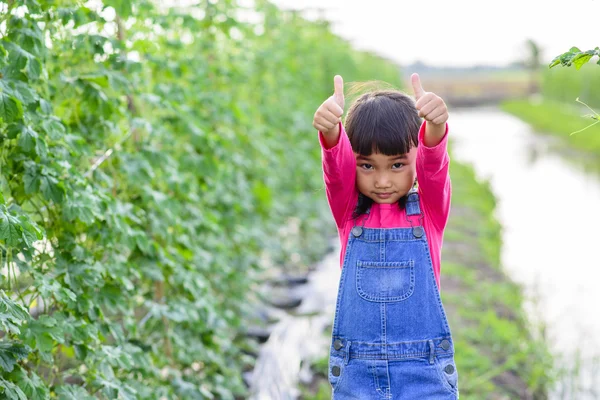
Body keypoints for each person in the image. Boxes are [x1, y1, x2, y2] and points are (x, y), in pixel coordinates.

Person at [312, 74, 459, 399]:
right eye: (367, 166)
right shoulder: (349, 210)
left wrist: (434, 127)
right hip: (357, 373)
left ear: (415, 161)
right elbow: (337, 168)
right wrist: (331, 131)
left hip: (423, 371)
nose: (381, 181)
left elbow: (434, 164)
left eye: (396, 165)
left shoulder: (429, 211)